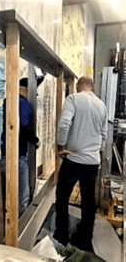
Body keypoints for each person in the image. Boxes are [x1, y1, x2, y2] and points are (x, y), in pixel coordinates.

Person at [53, 76, 108, 252]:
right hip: (92, 163)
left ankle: (61, 236)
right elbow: (104, 135)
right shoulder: (102, 105)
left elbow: (63, 124)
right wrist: (94, 153)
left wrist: (61, 146)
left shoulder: (73, 99)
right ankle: (84, 240)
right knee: (88, 202)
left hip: (74, 159)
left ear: (79, 86)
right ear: (92, 87)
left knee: (62, 197)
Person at [0, 77, 43, 231]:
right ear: (25, 90)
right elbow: (20, 129)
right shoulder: (23, 104)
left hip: (3, 153)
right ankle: (20, 231)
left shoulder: (8, 101)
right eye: (33, 93)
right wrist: (35, 140)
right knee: (23, 196)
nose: (33, 96)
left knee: (2, 193)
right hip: (17, 154)